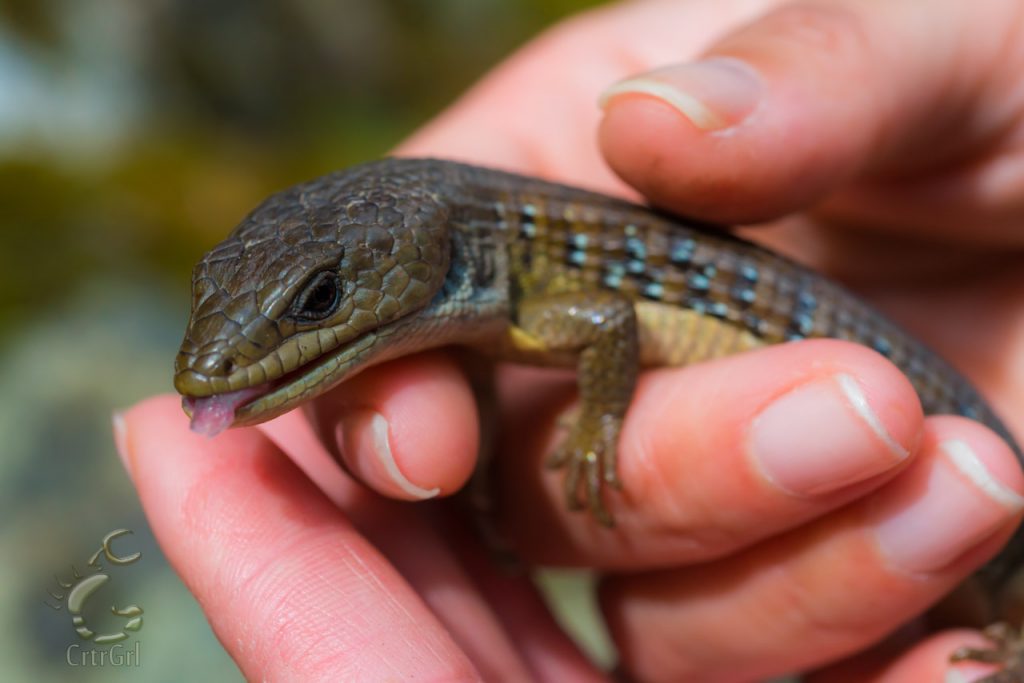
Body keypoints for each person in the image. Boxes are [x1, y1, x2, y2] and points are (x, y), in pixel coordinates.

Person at [113, 1, 1024, 680]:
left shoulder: (527, 293)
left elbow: (608, 320)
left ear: (419, 258)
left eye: (319, 300)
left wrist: (600, 420)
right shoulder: (476, 276)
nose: (216, 365)